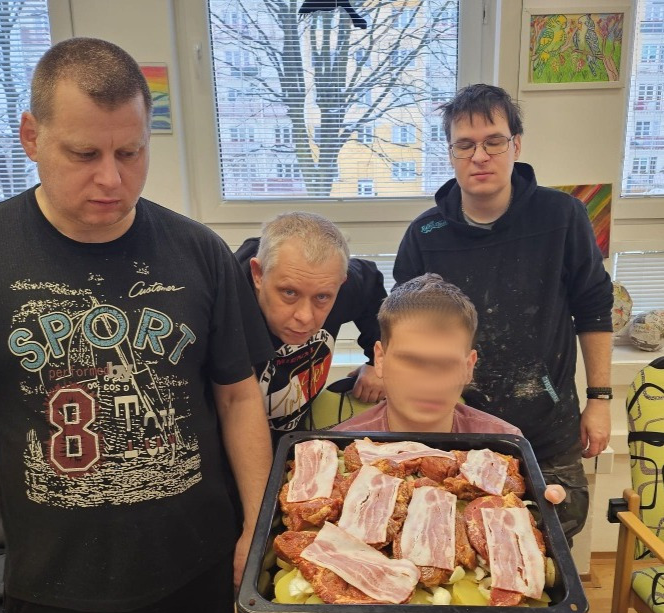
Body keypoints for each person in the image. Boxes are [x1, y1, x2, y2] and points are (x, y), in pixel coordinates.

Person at [0, 38, 273, 613]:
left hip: (195, 576)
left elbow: (238, 397)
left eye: (130, 152)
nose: (111, 178)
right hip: (53, 593)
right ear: (31, 137)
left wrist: (257, 535)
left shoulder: (199, 252)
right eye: (84, 154)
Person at [393, 84, 613, 540]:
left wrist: (599, 399)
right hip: (456, 432)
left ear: (516, 145)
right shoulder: (425, 234)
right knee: (458, 550)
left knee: (548, 545)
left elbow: (594, 308)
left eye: (494, 141)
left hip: (546, 429)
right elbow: (403, 328)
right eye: (465, 145)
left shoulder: (563, 216)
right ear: (451, 153)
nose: (480, 156)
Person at [335, 274, 566, 499]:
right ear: (380, 359)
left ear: (468, 367)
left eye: (446, 364)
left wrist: (544, 504)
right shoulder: (337, 447)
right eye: (411, 361)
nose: (428, 382)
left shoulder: (504, 443)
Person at [235, 212, 387, 438]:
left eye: (322, 297)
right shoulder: (223, 304)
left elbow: (370, 284)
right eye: (289, 293)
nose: (305, 317)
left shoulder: (335, 281)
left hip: (297, 433)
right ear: (258, 274)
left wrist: (378, 362)